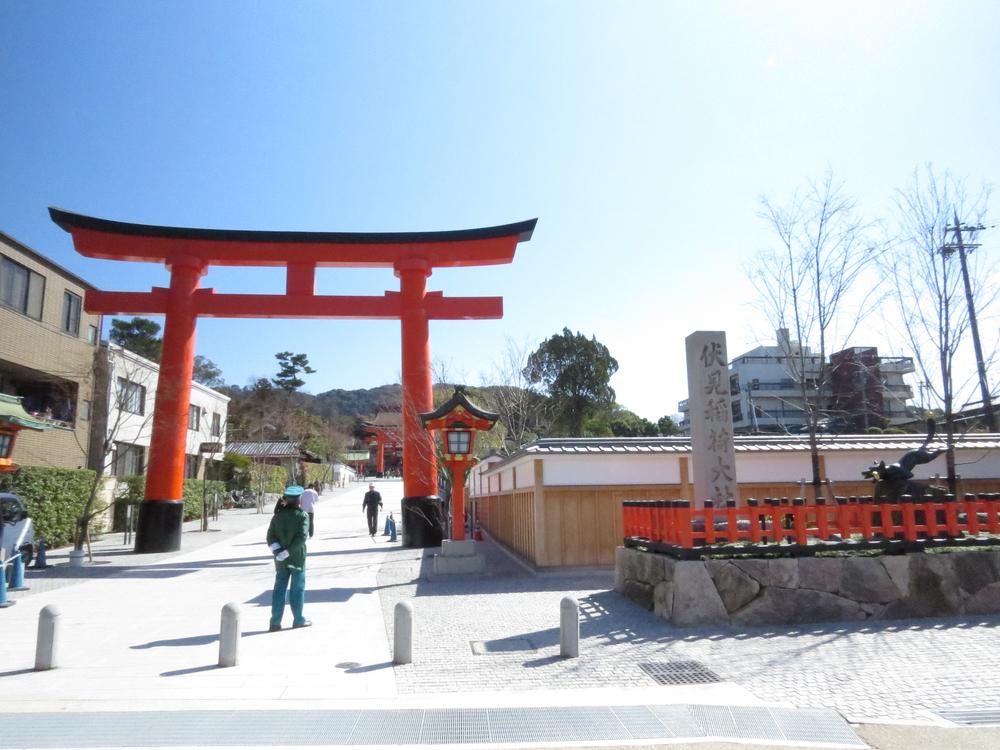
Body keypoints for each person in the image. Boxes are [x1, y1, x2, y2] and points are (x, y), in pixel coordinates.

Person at [266, 485, 311, 632]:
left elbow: (270, 536)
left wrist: (279, 551)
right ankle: (298, 619)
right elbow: (302, 537)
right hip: (296, 558)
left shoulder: (277, 516)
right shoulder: (302, 516)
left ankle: (275, 622)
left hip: (280, 560)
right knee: (297, 590)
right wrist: (288, 551)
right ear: (298, 500)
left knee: (279, 589)